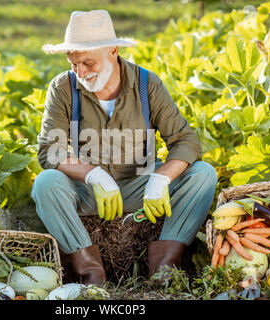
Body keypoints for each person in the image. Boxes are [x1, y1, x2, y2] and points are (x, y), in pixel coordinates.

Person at [31, 10, 217, 286]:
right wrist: (94, 175)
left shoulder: (146, 84)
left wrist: (161, 178)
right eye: (73, 64)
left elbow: (185, 141)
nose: (80, 72)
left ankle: (165, 267)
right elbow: (51, 150)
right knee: (46, 183)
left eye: (87, 62)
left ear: (113, 51)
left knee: (203, 175)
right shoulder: (63, 88)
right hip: (89, 191)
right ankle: (91, 273)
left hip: (139, 184)